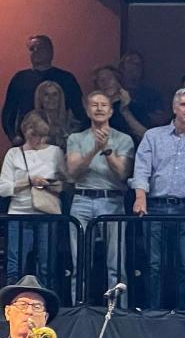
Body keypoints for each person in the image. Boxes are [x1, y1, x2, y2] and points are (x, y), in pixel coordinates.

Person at [131, 88, 185, 310]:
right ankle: (153, 311)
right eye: (184, 105)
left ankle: (183, 312)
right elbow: (141, 170)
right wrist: (140, 197)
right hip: (155, 206)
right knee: (154, 264)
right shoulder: (153, 136)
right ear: (175, 108)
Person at [67, 92, 135, 291]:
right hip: (82, 199)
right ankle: (79, 309)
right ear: (88, 111)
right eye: (94, 105)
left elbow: (123, 173)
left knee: (116, 264)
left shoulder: (124, 139)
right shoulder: (76, 138)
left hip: (112, 200)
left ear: (111, 111)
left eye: (103, 105)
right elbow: (73, 172)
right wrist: (93, 149)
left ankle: (117, 312)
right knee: (80, 262)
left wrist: (106, 150)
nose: (99, 108)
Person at [0, 112, 67, 284]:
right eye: (35, 135)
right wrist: (28, 181)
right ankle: (11, 303)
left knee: (46, 266)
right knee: (15, 265)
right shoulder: (13, 154)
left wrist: (51, 184)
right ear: (25, 131)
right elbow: (3, 188)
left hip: (46, 213)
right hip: (18, 215)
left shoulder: (55, 152)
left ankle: (45, 304)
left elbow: (66, 183)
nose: (39, 140)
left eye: (43, 135)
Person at [2, 35, 85, 142]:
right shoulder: (20, 78)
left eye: (40, 47)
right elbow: (8, 112)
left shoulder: (66, 79)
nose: (35, 51)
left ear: (51, 51)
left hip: (61, 141)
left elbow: (79, 111)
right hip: (29, 141)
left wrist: (75, 137)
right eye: (32, 49)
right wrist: (13, 136)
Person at [91, 65, 149, 143]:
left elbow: (146, 136)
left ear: (118, 81)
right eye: (101, 80)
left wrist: (125, 111)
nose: (106, 83)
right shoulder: (95, 111)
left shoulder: (135, 106)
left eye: (109, 78)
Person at [118, 51, 167, 128]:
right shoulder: (116, 92)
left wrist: (140, 113)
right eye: (130, 62)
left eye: (137, 64)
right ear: (121, 68)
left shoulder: (152, 94)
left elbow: (160, 120)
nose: (134, 66)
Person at [33, 81, 77, 150]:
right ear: (40, 97)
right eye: (46, 94)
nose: (51, 98)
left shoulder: (69, 118)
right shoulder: (33, 119)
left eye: (55, 94)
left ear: (60, 97)